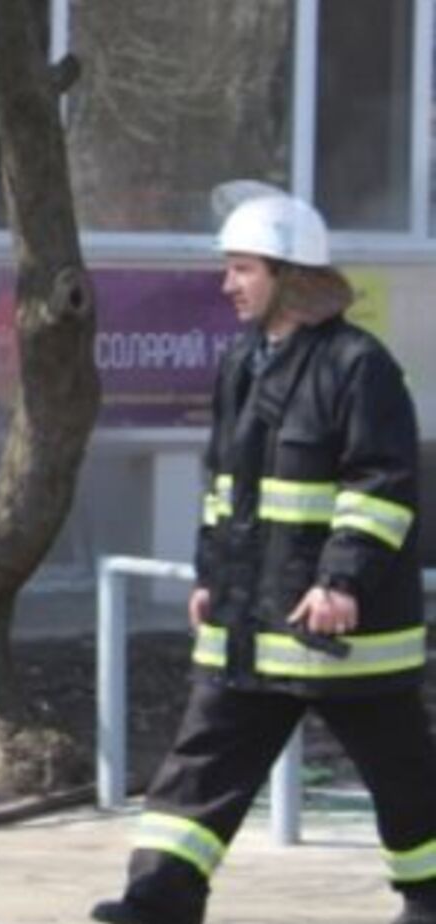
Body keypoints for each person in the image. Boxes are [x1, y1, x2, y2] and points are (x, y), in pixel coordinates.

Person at [90, 193, 436, 924]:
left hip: (340, 632)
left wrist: (342, 580)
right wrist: (212, 576)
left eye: (243, 269)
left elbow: (381, 484)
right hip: (251, 619)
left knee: (402, 777)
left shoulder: (360, 366)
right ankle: (156, 903)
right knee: (199, 767)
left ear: (289, 274)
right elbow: (227, 485)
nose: (228, 285)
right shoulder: (243, 361)